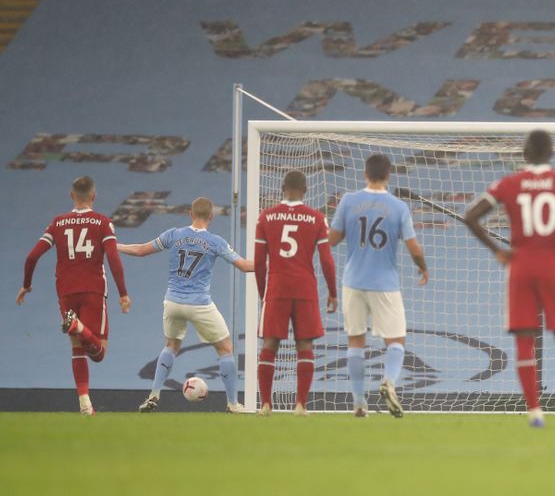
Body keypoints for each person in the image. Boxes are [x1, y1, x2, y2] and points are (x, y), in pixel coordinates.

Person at [464, 130, 555, 429]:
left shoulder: (509, 184)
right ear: (551, 154)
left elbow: (471, 216)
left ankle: (535, 414)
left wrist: (499, 252)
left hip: (521, 267)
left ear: (525, 154)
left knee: (524, 340)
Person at [117, 197, 253, 414]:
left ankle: (154, 395)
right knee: (226, 349)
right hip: (199, 303)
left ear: (190, 214)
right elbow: (245, 266)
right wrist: (273, 263)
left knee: (171, 346)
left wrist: (114, 245)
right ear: (211, 217)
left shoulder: (173, 235)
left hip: (172, 302)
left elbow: (141, 250)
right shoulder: (215, 241)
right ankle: (233, 404)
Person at [16, 176, 132, 415]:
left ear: (71, 196)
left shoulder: (58, 223)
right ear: (94, 196)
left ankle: (84, 403)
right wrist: (123, 293)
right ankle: (78, 327)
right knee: (98, 353)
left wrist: (26, 284)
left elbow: (31, 257)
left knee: (77, 348)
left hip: (66, 291)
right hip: (93, 290)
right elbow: (113, 258)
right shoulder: (102, 222)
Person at [329, 154, 428, 418]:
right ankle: (389, 382)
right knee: (396, 340)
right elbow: (413, 246)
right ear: (389, 175)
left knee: (355, 340)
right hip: (384, 283)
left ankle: (360, 402)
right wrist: (422, 265)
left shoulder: (349, 201)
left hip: (353, 281)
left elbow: (332, 239)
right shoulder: (398, 207)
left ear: (365, 174)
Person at [255, 170, 338, 416]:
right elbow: (326, 260)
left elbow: (260, 261)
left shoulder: (265, 217)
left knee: (270, 343)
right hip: (305, 287)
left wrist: (263, 293)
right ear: (306, 190)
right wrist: (333, 292)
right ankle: (300, 405)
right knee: (305, 345)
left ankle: (266, 404)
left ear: (282, 188)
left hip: (277, 286)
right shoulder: (317, 218)